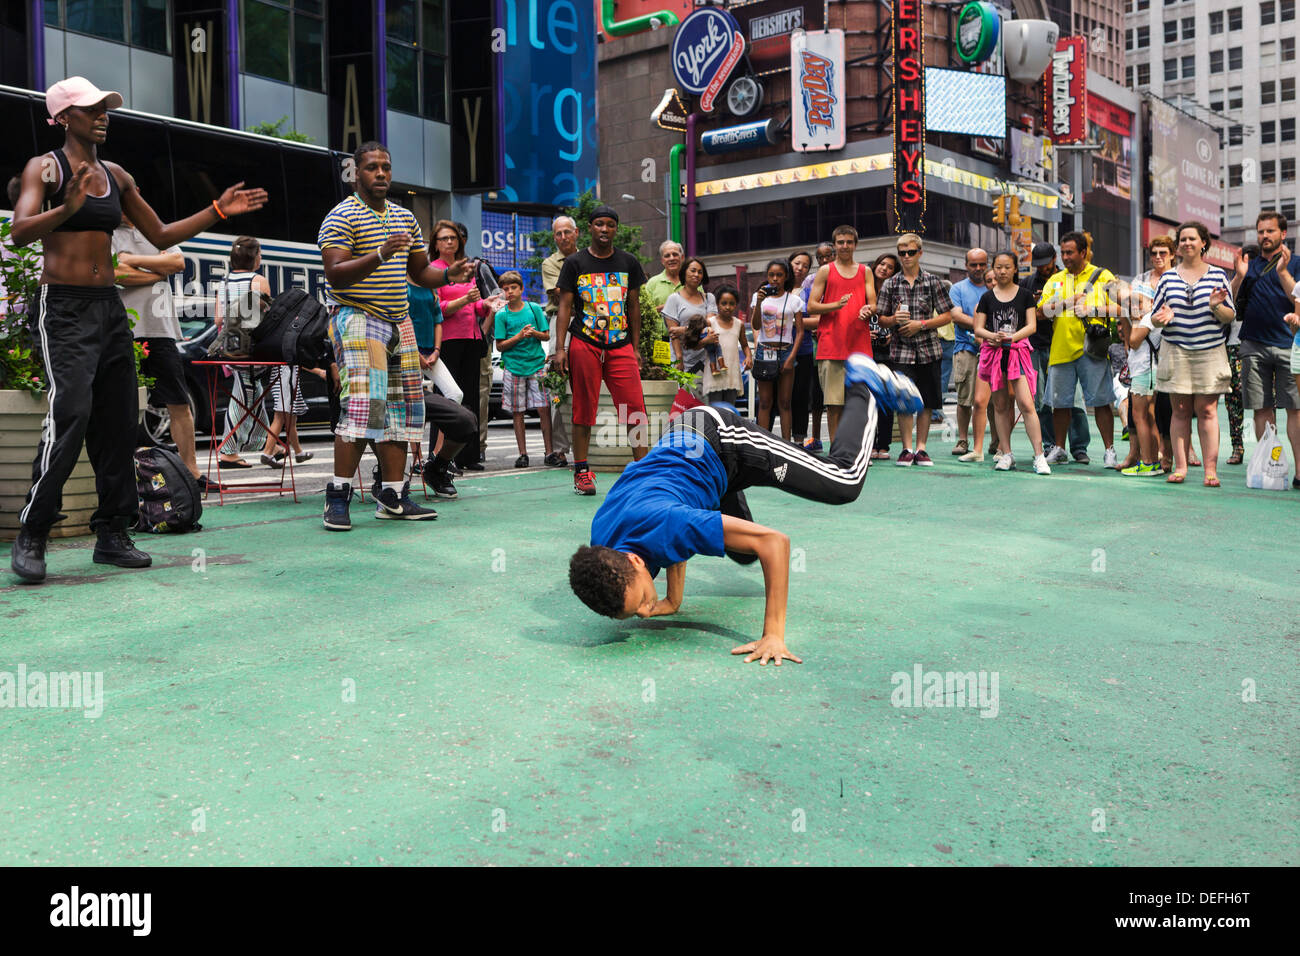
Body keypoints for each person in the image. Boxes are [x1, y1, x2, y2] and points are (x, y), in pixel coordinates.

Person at [9, 76, 266, 583]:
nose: (103, 114)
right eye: (91, 108)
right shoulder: (46, 167)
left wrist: (217, 211)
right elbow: (19, 232)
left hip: (108, 309)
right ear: (63, 117)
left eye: (106, 107)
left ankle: (112, 532)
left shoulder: (117, 175)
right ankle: (33, 530)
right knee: (72, 412)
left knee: (119, 421)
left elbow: (161, 235)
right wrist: (67, 209)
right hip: (63, 308)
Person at [569, 354, 922, 665]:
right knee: (743, 555)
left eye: (643, 600)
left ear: (633, 561)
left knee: (843, 481)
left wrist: (773, 635)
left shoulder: (667, 524)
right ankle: (725, 496)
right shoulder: (602, 542)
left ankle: (865, 385)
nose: (647, 612)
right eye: (637, 613)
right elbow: (666, 538)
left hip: (724, 441)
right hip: (689, 458)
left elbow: (775, 543)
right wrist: (672, 599)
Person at [317, 141, 469, 531]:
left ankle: (394, 495)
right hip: (357, 315)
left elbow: (420, 273)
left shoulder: (405, 217)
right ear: (356, 173)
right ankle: (338, 495)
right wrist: (382, 254)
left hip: (398, 320)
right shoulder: (342, 215)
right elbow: (335, 273)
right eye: (372, 168)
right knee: (365, 405)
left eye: (386, 166)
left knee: (403, 410)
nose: (381, 173)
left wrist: (449, 275)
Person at [553, 204, 649, 495]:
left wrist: (634, 347)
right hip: (585, 343)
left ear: (616, 228)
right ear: (590, 228)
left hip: (620, 345)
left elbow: (633, 306)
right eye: (599, 224)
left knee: (635, 408)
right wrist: (560, 348)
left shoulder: (628, 262)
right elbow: (565, 306)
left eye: (610, 224)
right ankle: (581, 471)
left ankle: (643, 471)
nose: (604, 229)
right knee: (584, 408)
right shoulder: (575, 263)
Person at [111, 209, 209, 486]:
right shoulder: (106, 234)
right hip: (124, 332)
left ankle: (192, 473)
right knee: (122, 405)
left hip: (160, 331)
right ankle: (127, 477)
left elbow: (177, 262)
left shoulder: (156, 230)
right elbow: (117, 273)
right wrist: (156, 272)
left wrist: (131, 259)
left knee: (178, 401)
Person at [1150, 221, 1235, 486]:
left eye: (1192, 239)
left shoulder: (1218, 275)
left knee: (1208, 410)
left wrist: (1215, 307)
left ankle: (1210, 470)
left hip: (1210, 350)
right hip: (1176, 350)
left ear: (1203, 243)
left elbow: (1230, 315)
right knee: (1180, 410)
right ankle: (1181, 467)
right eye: (1183, 239)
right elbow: (1153, 318)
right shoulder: (1167, 277)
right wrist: (1161, 319)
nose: (1187, 243)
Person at [1231, 210, 1299, 489]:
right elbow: (1231, 303)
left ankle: (1299, 473)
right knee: (1261, 409)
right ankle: (1267, 467)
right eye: (1261, 231)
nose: (1265, 236)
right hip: (1253, 345)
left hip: (1288, 345)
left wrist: (1282, 271)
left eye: (1270, 231)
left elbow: (1297, 296)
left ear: (1283, 234)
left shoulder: (1296, 263)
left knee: (1295, 409)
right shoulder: (1250, 265)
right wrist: (1239, 276)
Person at [1039, 231, 1119, 468]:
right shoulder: (1054, 280)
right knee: (1059, 404)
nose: (1065, 257)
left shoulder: (1103, 276)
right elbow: (1040, 312)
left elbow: (1120, 309)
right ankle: (1060, 449)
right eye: (1062, 252)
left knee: (1102, 402)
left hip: (1092, 351)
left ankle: (1109, 451)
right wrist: (1065, 304)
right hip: (1061, 350)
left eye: (1070, 252)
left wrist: (1093, 310)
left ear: (1083, 252)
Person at [875, 233, 955, 466]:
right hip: (901, 351)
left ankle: (921, 449)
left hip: (929, 349)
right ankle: (906, 449)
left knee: (927, 402)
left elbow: (948, 315)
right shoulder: (891, 283)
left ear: (920, 252)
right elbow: (880, 319)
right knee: (904, 401)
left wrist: (920, 325)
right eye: (902, 253)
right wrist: (894, 320)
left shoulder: (933, 281)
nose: (906, 257)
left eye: (911, 252)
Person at [973, 251, 1049, 474]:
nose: (1003, 271)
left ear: (1015, 268)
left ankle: (1039, 456)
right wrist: (991, 337)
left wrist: (1011, 338)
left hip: (1018, 354)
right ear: (993, 268)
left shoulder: (1025, 294)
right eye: (998, 267)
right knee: (1000, 406)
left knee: (1027, 404)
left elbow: (1032, 326)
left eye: (1007, 267)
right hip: (995, 355)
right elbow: (978, 327)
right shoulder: (987, 297)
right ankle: (1006, 454)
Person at [807, 225, 877, 443]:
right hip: (831, 345)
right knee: (834, 404)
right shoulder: (826, 271)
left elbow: (873, 303)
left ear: (855, 245)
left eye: (849, 242)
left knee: (858, 403)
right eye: (840, 242)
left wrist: (869, 309)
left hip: (860, 346)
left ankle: (857, 448)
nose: (845, 246)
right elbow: (811, 306)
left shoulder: (865, 271)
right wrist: (836, 305)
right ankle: (837, 451)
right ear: (835, 245)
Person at [434, 219, 492, 472]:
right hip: (447, 340)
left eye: (453, 238)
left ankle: (469, 455)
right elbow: (438, 309)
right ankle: (442, 457)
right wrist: (464, 299)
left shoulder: (467, 267)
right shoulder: (433, 271)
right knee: (448, 400)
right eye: (444, 238)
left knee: (471, 397)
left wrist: (486, 305)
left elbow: (475, 304)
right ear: (435, 244)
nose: (449, 242)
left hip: (472, 338)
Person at [1024, 242, 1090, 462]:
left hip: (1063, 346)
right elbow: (1033, 314)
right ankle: (1051, 444)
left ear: (1054, 259)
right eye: (1038, 264)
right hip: (1035, 346)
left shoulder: (1069, 278)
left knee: (1075, 400)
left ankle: (1079, 447)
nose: (1042, 268)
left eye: (1046, 263)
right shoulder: (1028, 283)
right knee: (1041, 401)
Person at [213, 237, 273, 470]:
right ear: (254, 257)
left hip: (229, 347)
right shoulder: (258, 281)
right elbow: (266, 316)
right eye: (259, 253)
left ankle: (268, 442)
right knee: (244, 395)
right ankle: (228, 450)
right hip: (252, 348)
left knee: (252, 390)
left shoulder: (224, 282)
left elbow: (218, 319)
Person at [494, 270, 554, 468]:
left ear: (521, 289)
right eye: (506, 289)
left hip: (536, 364)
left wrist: (533, 333)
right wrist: (519, 337)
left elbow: (546, 335)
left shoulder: (534, 308)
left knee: (543, 408)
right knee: (517, 411)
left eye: (513, 288)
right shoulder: (502, 315)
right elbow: (500, 345)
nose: (509, 292)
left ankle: (550, 451)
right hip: (513, 367)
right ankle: (523, 454)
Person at [749, 258, 805, 440]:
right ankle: (763, 443)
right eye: (771, 275)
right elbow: (756, 325)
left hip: (786, 350)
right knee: (765, 402)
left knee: (785, 402)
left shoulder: (794, 300)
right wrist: (758, 302)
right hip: (765, 350)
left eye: (779, 275)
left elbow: (800, 332)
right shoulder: (760, 298)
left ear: (786, 276)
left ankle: (786, 444)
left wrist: (791, 358)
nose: (774, 279)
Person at [539, 214, 578, 466]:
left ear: (576, 233)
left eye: (567, 232)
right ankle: (560, 449)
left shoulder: (589, 256)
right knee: (558, 385)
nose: (563, 237)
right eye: (558, 233)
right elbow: (561, 293)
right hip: (561, 323)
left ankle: (588, 444)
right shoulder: (551, 263)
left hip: (591, 323)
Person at [946, 248, 989, 457]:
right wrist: (984, 328)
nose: (978, 268)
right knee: (965, 399)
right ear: (966, 266)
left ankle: (996, 443)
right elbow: (956, 316)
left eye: (982, 264)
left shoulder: (994, 288)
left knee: (993, 400)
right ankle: (963, 440)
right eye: (974, 264)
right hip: (966, 349)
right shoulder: (957, 289)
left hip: (993, 351)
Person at [797, 241, 834, 451]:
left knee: (837, 397)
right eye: (820, 257)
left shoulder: (842, 276)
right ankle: (817, 438)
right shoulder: (810, 281)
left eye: (828, 255)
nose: (825, 260)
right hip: (814, 345)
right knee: (817, 395)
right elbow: (803, 317)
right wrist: (823, 321)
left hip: (838, 344)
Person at [865, 254, 901, 461]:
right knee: (867, 400)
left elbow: (902, 316)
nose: (884, 269)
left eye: (889, 267)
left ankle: (883, 444)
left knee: (885, 399)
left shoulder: (895, 291)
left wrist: (891, 334)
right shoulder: (863, 289)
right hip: (865, 351)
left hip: (888, 352)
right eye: (881, 264)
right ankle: (869, 444)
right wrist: (864, 334)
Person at [661, 256, 715, 389]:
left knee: (704, 403)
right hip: (682, 360)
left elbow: (711, 323)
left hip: (706, 358)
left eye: (700, 272)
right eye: (693, 270)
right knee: (683, 402)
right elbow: (673, 334)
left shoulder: (709, 298)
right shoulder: (674, 299)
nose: (696, 274)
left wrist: (683, 329)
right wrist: (679, 360)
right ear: (684, 272)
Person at [702, 284, 750, 406]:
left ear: (736, 305)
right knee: (715, 412)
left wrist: (748, 357)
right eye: (724, 303)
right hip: (715, 375)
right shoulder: (709, 323)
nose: (727, 307)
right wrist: (706, 340)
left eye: (732, 303)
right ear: (717, 304)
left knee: (729, 412)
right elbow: (697, 343)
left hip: (732, 375)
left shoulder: (739, 324)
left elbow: (745, 345)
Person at [787, 250, 816, 445]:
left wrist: (792, 322)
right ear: (789, 263)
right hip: (779, 350)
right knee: (779, 400)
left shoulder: (810, 291)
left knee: (801, 397)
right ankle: (777, 442)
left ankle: (798, 442)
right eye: (797, 263)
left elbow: (817, 321)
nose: (800, 268)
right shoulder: (777, 286)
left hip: (804, 350)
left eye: (805, 265)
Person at [643, 240, 684, 311]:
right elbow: (645, 313)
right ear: (662, 261)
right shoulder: (652, 283)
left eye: (675, 254)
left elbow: (702, 306)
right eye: (667, 256)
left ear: (682, 258)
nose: (671, 258)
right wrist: (666, 307)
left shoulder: (692, 280)